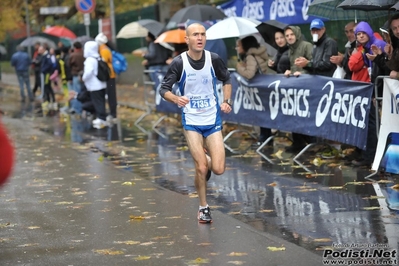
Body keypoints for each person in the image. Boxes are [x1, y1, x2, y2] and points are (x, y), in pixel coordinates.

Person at [159, 23, 232, 223]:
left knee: (218, 169)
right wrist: (176, 98)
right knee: (200, 167)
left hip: (212, 119)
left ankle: (208, 160)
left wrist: (226, 102)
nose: (200, 38)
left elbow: (227, 80)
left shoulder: (213, 59)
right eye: (195, 35)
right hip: (191, 120)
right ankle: (203, 207)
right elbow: (163, 89)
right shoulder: (179, 63)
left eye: (202, 34)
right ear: (187, 39)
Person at [348, 21, 387, 168]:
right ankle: (371, 156)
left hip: (380, 90)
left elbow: (384, 68)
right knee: (371, 124)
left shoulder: (377, 44)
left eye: (363, 33)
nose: (361, 35)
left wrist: (378, 93)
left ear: (369, 32)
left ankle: (373, 157)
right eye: (358, 34)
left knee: (374, 125)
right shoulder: (364, 48)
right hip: (374, 89)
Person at [235, 35, 272, 145]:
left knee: (262, 113)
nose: (237, 48)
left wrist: (240, 67)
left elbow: (250, 74)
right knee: (265, 113)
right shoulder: (257, 54)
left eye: (239, 46)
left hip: (260, 90)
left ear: (245, 46)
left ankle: (264, 138)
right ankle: (266, 138)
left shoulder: (251, 56)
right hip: (265, 87)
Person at [283, 25, 313, 152]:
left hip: (308, 87)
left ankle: (312, 143)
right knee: (294, 114)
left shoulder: (306, 45)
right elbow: (295, 66)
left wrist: (303, 74)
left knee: (307, 115)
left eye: (292, 35)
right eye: (287, 35)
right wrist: (290, 71)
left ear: (297, 34)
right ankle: (298, 142)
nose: (289, 37)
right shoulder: (290, 49)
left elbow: (314, 64)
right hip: (296, 87)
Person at [82, 41, 108, 129]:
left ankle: (101, 118)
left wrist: (84, 77)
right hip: (101, 84)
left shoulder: (89, 60)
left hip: (95, 85)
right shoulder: (98, 57)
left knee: (98, 102)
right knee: (100, 101)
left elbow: (88, 72)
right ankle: (101, 117)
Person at [95, 33, 118, 122]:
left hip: (109, 76)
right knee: (110, 94)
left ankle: (113, 113)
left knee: (111, 95)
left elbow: (103, 64)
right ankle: (112, 112)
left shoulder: (104, 51)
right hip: (110, 75)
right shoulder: (104, 49)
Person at [68, 42, 85, 115]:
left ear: (75, 48)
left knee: (76, 93)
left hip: (76, 75)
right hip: (84, 75)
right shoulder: (85, 54)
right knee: (83, 92)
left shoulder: (73, 55)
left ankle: (77, 109)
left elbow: (68, 64)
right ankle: (84, 108)